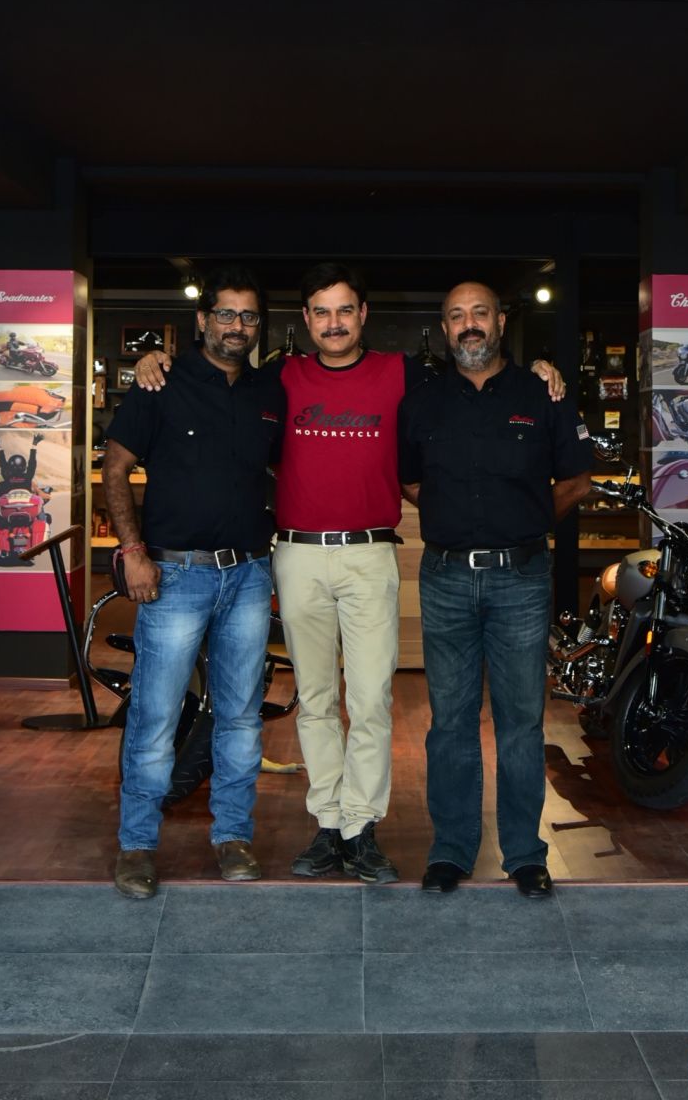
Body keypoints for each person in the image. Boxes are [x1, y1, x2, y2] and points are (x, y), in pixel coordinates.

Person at [135, 260, 564, 885]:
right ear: (305, 320)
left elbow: (477, 372)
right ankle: (328, 822)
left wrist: (540, 371)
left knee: (370, 701)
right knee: (315, 700)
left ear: (363, 315)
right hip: (298, 554)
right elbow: (217, 375)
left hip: (369, 555)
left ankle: (361, 826)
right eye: (321, 312)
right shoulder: (279, 377)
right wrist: (158, 360)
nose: (333, 323)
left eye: (344, 310)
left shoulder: (405, 374)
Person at [398, 280, 593, 900]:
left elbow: (578, 480)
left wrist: (527, 521)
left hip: (522, 579)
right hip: (446, 577)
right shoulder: (422, 402)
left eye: (479, 312)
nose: (469, 324)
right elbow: (410, 483)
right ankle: (452, 849)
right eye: (457, 316)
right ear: (445, 328)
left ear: (501, 321)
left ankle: (525, 855)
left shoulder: (542, 394)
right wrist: (457, 521)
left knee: (520, 722)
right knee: (450, 722)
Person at [103, 266, 285, 900]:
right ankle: (136, 845)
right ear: (203, 319)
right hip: (174, 574)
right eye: (226, 314)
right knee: (155, 715)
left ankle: (233, 836)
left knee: (239, 717)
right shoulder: (161, 382)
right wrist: (133, 552)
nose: (237, 326)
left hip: (249, 574)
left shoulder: (269, 391)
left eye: (249, 316)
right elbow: (116, 468)